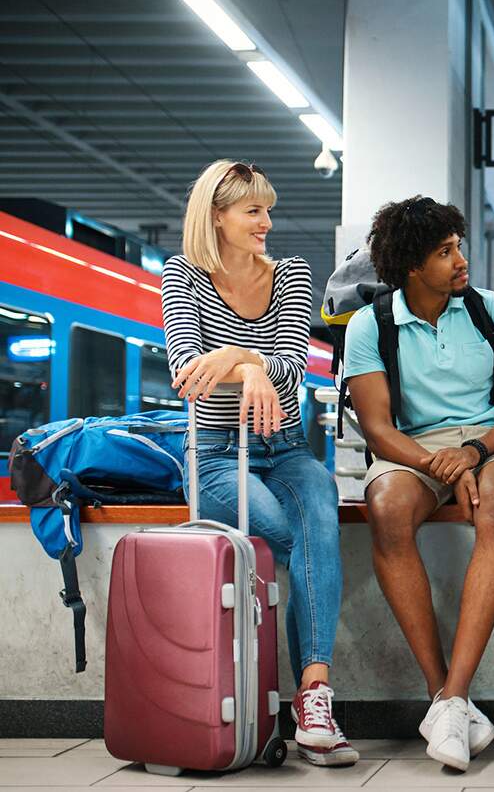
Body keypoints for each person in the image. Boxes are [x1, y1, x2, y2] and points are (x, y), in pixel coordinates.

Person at [162, 159, 356, 767]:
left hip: (286, 450)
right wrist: (250, 364)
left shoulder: (292, 274)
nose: (266, 222)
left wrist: (237, 362)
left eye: (268, 209)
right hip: (218, 455)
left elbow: (295, 366)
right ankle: (284, 702)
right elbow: (188, 372)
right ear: (216, 217)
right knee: (287, 535)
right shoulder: (183, 278)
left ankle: (314, 694)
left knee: (318, 509)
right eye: (253, 211)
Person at [344, 196, 494, 771]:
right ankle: (445, 697)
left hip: (491, 440)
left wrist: (473, 453)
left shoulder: (493, 310)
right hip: (413, 448)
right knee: (385, 507)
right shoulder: (369, 324)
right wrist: (440, 466)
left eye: (458, 246)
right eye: (444, 252)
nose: (461, 261)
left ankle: (454, 695)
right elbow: (378, 430)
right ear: (411, 267)